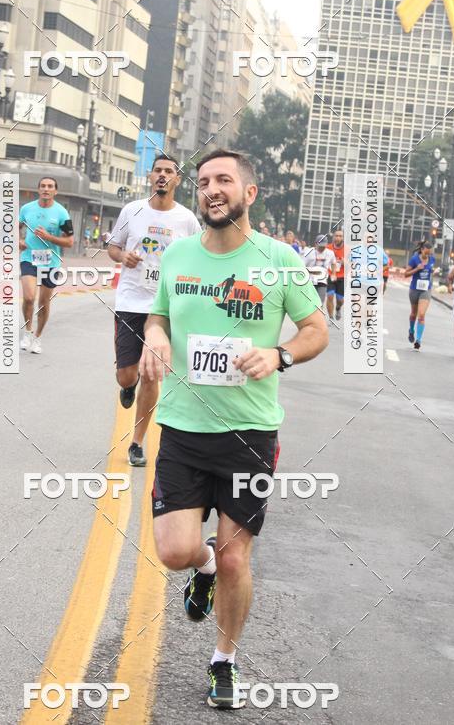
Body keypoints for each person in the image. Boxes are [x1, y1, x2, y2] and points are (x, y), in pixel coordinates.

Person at [140, 148, 328, 709]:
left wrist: (280, 354)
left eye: (223, 179)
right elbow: (158, 314)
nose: (211, 189)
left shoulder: (279, 260)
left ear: (249, 193)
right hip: (182, 428)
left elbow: (316, 329)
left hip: (250, 435)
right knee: (176, 552)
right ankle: (199, 568)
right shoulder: (178, 255)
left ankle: (224, 660)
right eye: (203, 181)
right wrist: (156, 334)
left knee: (234, 557)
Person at [108, 155, 201, 467]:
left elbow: (199, 255)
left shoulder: (187, 219)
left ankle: (136, 442)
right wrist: (124, 256)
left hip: (165, 309)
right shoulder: (132, 210)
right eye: (158, 170)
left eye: (169, 171)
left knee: (151, 374)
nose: (163, 175)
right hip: (130, 303)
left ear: (177, 179)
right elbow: (113, 247)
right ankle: (127, 385)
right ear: (150, 177)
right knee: (127, 375)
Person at [19, 177, 74, 354]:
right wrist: (18, 240)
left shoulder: (62, 213)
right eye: (43, 186)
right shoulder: (27, 209)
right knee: (29, 297)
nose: (46, 189)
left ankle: (37, 337)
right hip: (29, 258)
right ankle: (27, 332)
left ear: (55, 191)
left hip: (51, 262)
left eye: (50, 186)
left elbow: (70, 242)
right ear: (38, 189)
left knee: (43, 303)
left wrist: (49, 237)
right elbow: (14, 227)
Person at [404, 241, 436, 350]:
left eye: (429, 253)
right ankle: (411, 330)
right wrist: (417, 269)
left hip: (426, 290)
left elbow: (430, 271)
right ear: (422, 250)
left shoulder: (432, 259)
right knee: (414, 314)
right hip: (414, 290)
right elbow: (405, 274)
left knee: (421, 315)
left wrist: (432, 271)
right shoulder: (414, 259)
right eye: (426, 252)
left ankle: (418, 340)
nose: (428, 255)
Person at [302, 234, 336, 306]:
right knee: (310, 302)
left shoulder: (330, 253)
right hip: (310, 281)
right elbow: (302, 265)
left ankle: (319, 311)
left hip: (322, 281)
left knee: (320, 303)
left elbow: (333, 263)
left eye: (324, 246)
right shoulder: (309, 252)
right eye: (320, 246)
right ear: (315, 244)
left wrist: (333, 273)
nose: (322, 248)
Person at [326, 229, 345, 320]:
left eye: (340, 236)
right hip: (330, 275)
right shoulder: (328, 248)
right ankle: (331, 318)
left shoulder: (348, 249)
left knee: (340, 299)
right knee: (330, 295)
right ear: (333, 237)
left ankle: (338, 308)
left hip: (342, 276)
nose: (338, 238)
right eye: (336, 236)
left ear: (343, 238)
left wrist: (345, 263)